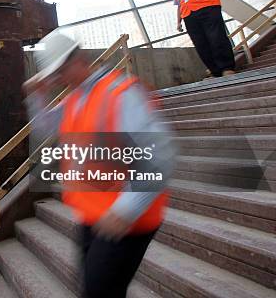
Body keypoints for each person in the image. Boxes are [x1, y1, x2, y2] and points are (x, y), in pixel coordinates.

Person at [24, 30, 175, 298]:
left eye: (60, 72)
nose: (57, 80)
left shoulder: (120, 93)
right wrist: (38, 97)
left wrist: (126, 210)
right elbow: (47, 127)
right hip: (95, 214)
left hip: (127, 218)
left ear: (78, 59)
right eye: (53, 76)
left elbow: (159, 157)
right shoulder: (75, 99)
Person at [174, 0, 236, 78]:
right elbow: (179, 4)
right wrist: (178, 22)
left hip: (209, 10)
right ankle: (215, 70)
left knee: (217, 38)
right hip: (189, 16)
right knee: (201, 44)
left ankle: (226, 67)